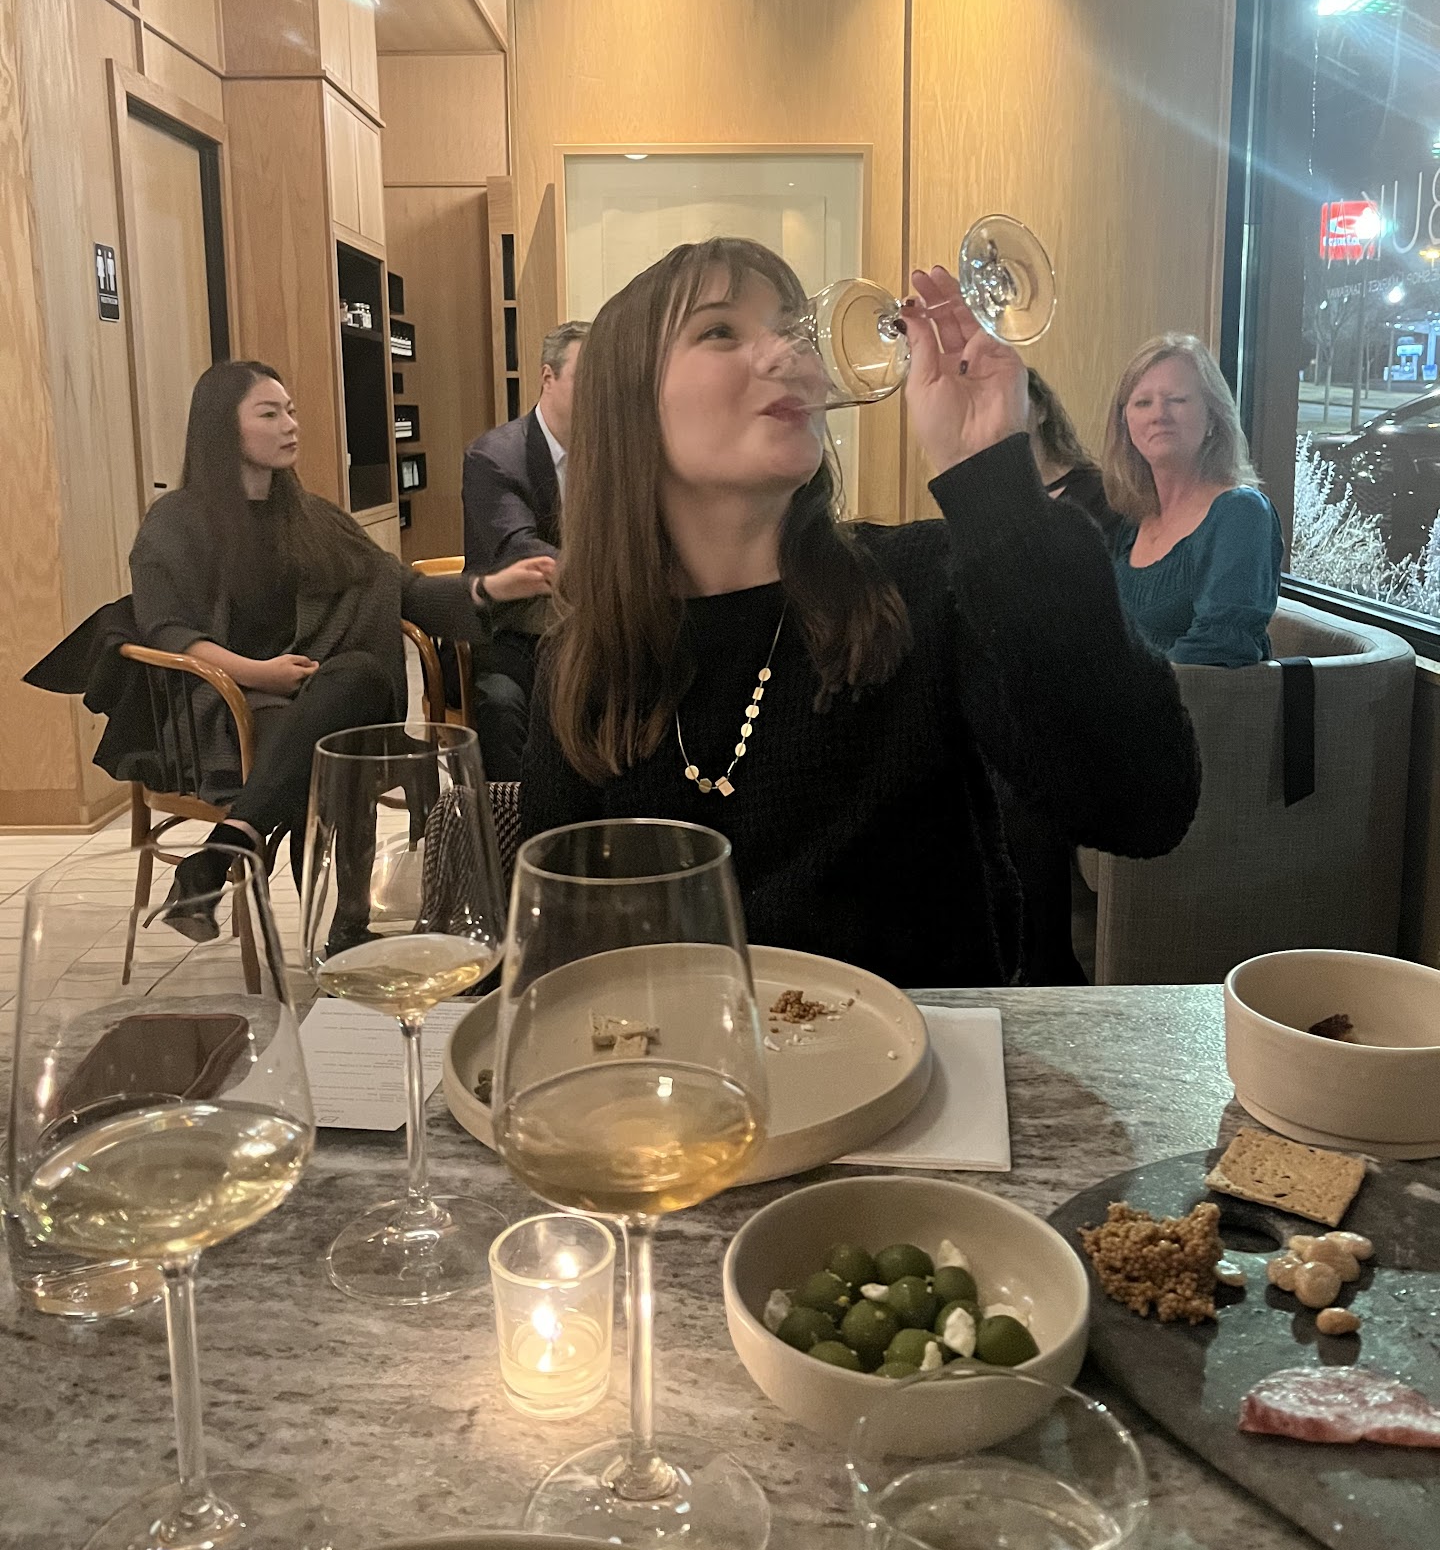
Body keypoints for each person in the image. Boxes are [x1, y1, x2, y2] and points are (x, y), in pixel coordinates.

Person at [520, 237, 1200, 988]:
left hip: (929, 1057)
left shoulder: (919, 586)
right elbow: (559, 952)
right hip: (678, 1059)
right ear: (627, 405)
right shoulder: (590, 659)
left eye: (792, 328)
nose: (788, 353)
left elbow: (1144, 805)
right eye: (720, 330)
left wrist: (994, 489)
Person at [129, 360, 549, 930]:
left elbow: (405, 589)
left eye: (291, 411)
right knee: (339, 745)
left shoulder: (312, 519)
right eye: (269, 414)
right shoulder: (175, 521)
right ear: (222, 427)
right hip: (228, 705)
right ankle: (346, 928)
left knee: (359, 681)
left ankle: (225, 849)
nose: (290, 425)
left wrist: (491, 588)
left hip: (323, 694)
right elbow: (168, 631)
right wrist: (259, 673)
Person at [1104, 334, 1283, 668]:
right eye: (1143, 403)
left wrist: (1119, 688)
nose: (1159, 414)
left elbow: (1220, 647)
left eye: (1177, 399)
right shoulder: (1133, 521)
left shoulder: (1241, 512)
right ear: (1125, 424)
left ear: (1213, 416)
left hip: (1192, 700)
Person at [459, 321, 589, 777]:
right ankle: (515, 815)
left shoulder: (611, 452)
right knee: (503, 703)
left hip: (588, 624)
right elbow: (521, 549)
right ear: (548, 376)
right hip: (514, 625)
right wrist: (609, 574)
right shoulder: (494, 457)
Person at [1026, 367, 1121, 541]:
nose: (1001, 416)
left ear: (1041, 411)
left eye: (1011, 402)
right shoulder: (988, 498)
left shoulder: (1098, 492)